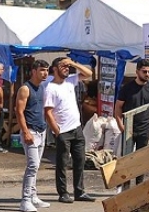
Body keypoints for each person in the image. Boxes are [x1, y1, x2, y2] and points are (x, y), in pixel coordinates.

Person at [43, 57, 95, 204]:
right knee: (62, 163)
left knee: (79, 161)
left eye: (67, 67)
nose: (66, 69)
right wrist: (57, 131)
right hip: (63, 131)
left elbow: (88, 73)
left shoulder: (71, 80)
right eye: (63, 66)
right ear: (55, 69)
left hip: (77, 128)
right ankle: (63, 192)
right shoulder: (50, 88)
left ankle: (79, 191)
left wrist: (72, 63)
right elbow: (48, 112)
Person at [114, 59, 149, 185]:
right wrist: (121, 126)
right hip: (128, 128)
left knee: (142, 159)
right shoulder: (127, 88)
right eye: (144, 71)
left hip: (145, 128)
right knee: (126, 159)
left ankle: (139, 186)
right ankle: (125, 185)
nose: (147, 74)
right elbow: (118, 107)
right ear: (137, 71)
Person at [16, 60, 51, 211]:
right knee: (32, 165)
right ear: (34, 71)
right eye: (42, 70)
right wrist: (25, 131)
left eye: (47, 70)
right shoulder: (25, 88)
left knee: (36, 167)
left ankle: (33, 196)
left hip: (41, 130)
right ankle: (25, 200)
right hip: (30, 131)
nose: (45, 73)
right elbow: (19, 111)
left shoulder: (42, 87)